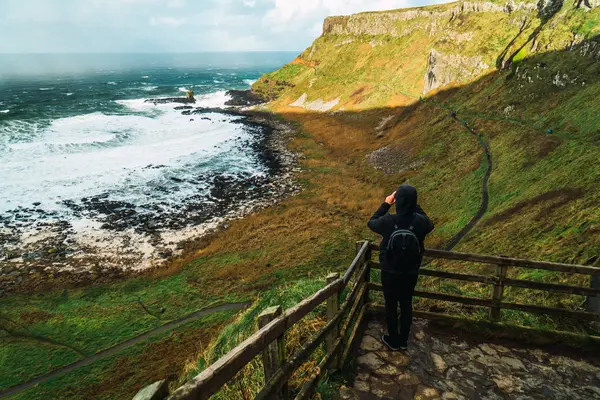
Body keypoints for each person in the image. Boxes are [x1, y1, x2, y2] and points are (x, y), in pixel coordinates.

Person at [367, 184, 434, 351]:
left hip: (389, 271)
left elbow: (372, 222)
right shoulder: (419, 222)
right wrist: (414, 205)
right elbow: (430, 224)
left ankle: (393, 339)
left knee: (390, 304)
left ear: (397, 201)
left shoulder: (388, 220)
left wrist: (386, 203)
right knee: (406, 304)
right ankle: (403, 340)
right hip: (410, 272)